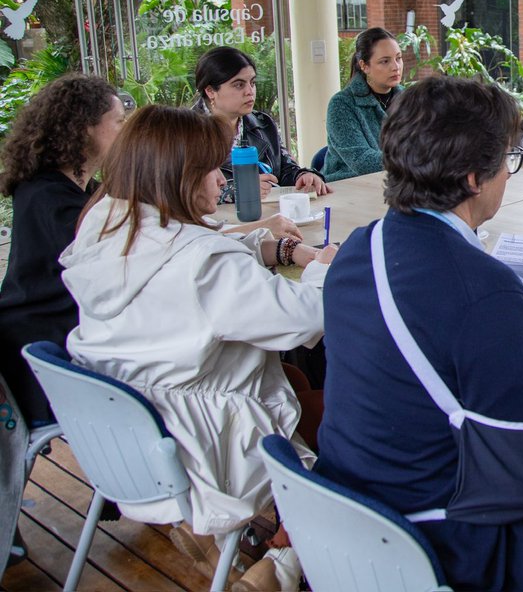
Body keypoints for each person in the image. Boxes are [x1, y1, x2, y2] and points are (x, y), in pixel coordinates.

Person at [317, 76, 523, 592]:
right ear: (475, 178)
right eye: (507, 160)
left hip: (347, 520)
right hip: (441, 546)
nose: (508, 174)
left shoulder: (359, 248)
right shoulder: (487, 291)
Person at [61, 106, 337, 591]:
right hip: (211, 447)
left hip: (135, 434)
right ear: (177, 177)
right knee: (343, 417)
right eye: (211, 169)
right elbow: (306, 317)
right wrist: (323, 269)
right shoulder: (204, 266)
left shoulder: (105, 228)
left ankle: (230, 542)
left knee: (293, 379)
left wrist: (269, 247)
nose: (221, 180)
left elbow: (190, 250)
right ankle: (283, 561)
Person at [0, 74, 124, 426]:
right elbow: (118, 254)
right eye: (118, 122)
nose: (126, 132)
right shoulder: (49, 197)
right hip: (44, 348)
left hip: (53, 332)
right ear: (85, 129)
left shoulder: (74, 188)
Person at [193, 46, 330, 199]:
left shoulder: (263, 123)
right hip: (216, 214)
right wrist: (239, 190)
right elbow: (184, 191)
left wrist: (303, 176)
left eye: (252, 83)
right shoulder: (186, 132)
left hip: (269, 211)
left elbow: (285, 169)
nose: (250, 91)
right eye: (239, 85)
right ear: (210, 91)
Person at [323, 27, 404, 181]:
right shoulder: (341, 104)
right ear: (364, 65)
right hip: (347, 185)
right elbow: (361, 160)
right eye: (385, 61)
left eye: (398, 58)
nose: (396, 67)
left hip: (397, 181)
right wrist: (413, 160)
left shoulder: (409, 99)